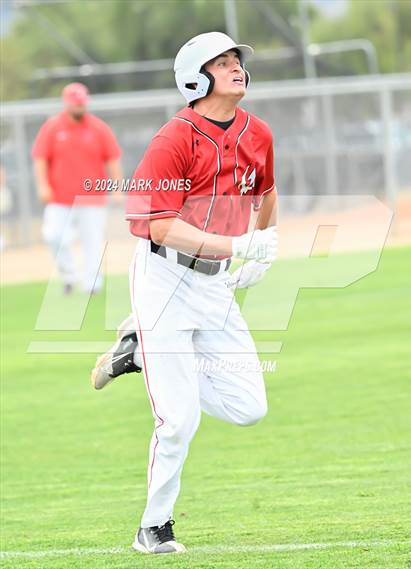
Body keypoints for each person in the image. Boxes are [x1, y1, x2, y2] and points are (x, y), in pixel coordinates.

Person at [91, 32, 278, 554]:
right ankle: (153, 527)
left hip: (213, 283)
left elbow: (265, 191)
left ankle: (139, 353)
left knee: (248, 406)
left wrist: (265, 244)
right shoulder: (173, 140)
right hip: (164, 279)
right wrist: (235, 242)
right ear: (196, 79)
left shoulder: (256, 132)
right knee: (179, 420)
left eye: (236, 59)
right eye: (221, 62)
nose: (236, 68)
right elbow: (158, 226)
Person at [32, 82, 123, 295]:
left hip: (92, 198)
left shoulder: (99, 128)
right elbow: (40, 159)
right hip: (59, 197)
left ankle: (93, 284)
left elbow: (113, 159)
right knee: (53, 235)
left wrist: (117, 188)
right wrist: (43, 185)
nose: (80, 106)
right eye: (76, 103)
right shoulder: (52, 127)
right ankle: (69, 276)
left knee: (92, 241)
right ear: (66, 103)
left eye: (82, 103)